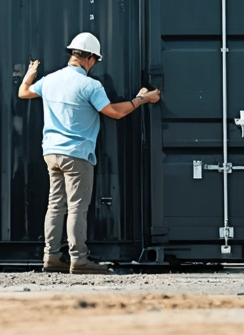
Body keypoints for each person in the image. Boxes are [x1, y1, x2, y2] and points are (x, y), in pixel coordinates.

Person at [18, 32, 160, 274]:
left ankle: (50, 256)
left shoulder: (51, 79)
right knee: (76, 208)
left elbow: (24, 92)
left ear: (73, 54)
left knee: (55, 205)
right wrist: (142, 99)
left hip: (51, 152)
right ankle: (79, 259)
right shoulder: (89, 85)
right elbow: (114, 112)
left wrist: (30, 75)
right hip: (77, 154)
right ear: (91, 58)